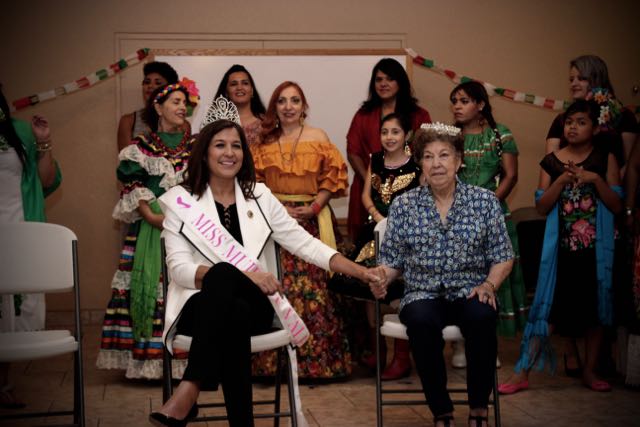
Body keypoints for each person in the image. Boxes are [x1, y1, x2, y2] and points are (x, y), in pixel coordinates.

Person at [149, 117, 378, 427]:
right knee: (233, 307)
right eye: (220, 145)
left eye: (236, 146)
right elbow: (179, 271)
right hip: (197, 309)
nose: (229, 153)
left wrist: (361, 272)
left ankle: (191, 386)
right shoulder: (182, 202)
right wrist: (247, 276)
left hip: (258, 306)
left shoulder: (259, 196)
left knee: (231, 290)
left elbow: (306, 245)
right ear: (204, 153)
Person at [370, 122, 514, 427]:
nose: (436, 164)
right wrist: (382, 276)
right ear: (420, 163)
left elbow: (503, 255)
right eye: (428, 156)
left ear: (459, 160)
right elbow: (392, 261)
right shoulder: (404, 205)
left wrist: (490, 284)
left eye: (444, 155)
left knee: (482, 316)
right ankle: (442, 411)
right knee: (421, 321)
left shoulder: (484, 202)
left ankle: (479, 407)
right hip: (422, 292)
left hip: (471, 288)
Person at [499, 100, 623, 395]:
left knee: (594, 312)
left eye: (581, 122)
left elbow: (617, 205)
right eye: (569, 122)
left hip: (595, 252)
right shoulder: (552, 161)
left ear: (594, 128)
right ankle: (522, 372)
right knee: (548, 311)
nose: (573, 127)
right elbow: (542, 206)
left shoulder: (605, 159)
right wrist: (561, 181)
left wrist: (595, 180)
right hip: (561, 252)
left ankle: (589, 371)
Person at [97, 81, 199, 379]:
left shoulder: (196, 146)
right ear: (158, 107)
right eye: (175, 102)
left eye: (184, 103)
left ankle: (188, 362)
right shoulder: (140, 147)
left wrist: (184, 220)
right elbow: (134, 186)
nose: (182, 107)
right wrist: (154, 217)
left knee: (187, 289)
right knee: (151, 289)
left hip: (189, 229)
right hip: (151, 229)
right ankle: (149, 362)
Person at [250, 81, 352, 379]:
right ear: (274, 107)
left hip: (312, 221)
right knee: (279, 287)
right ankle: (273, 366)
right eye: (282, 101)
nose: (288, 107)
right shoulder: (263, 142)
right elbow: (253, 183)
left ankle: (319, 366)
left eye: (295, 100)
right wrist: (278, 210)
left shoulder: (318, 137)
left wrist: (315, 206)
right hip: (274, 223)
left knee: (317, 291)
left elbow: (333, 176)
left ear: (303, 106)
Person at [331, 112, 421, 379]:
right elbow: (366, 195)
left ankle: (401, 357)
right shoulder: (376, 159)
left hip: (406, 235)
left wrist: (398, 223)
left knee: (401, 289)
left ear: (406, 135)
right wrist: (379, 218)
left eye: (395, 132)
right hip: (374, 231)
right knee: (368, 285)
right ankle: (377, 351)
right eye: (384, 132)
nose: (389, 137)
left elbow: (423, 199)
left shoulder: (417, 163)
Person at [449, 81, 527, 367]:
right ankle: (459, 346)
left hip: (493, 214)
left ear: (480, 104)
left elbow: (511, 175)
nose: (457, 106)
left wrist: (488, 205)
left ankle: (486, 345)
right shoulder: (451, 136)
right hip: (456, 216)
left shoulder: (499, 134)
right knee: (458, 275)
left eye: (464, 101)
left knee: (492, 275)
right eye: (454, 101)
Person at [0, 86, 61, 408]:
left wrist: (43, 141)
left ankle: (3, 383)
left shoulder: (19, 131)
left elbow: (46, 180)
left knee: (12, 309)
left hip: (17, 227)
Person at [346, 57, 431, 240]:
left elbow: (427, 152)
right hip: (369, 190)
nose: (383, 84)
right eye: (379, 79)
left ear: (401, 82)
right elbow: (353, 151)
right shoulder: (363, 114)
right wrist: (373, 181)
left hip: (410, 194)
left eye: (390, 79)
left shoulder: (418, 115)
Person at [545, 55, 637, 169]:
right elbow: (550, 166)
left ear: (597, 79)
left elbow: (630, 165)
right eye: (571, 79)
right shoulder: (562, 119)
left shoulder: (624, 116)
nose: (573, 84)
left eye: (582, 78)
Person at [117, 61, 186, 152]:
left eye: (158, 83)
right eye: (147, 82)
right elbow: (126, 157)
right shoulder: (128, 121)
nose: (150, 86)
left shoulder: (183, 124)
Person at [213, 64, 266, 146]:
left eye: (245, 83)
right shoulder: (215, 123)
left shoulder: (266, 124)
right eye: (234, 84)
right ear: (226, 93)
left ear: (252, 91)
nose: (239, 88)